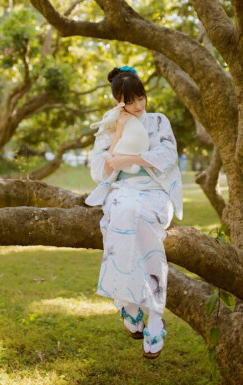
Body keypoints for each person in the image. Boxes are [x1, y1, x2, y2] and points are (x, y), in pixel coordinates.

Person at [85, 65, 183, 359]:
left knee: (142, 220)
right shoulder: (110, 124)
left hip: (154, 192)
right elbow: (99, 167)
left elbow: (167, 155)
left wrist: (130, 158)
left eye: (141, 98)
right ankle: (128, 304)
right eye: (130, 101)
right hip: (123, 192)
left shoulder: (159, 121)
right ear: (118, 101)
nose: (138, 106)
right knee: (123, 214)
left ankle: (154, 314)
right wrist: (117, 133)